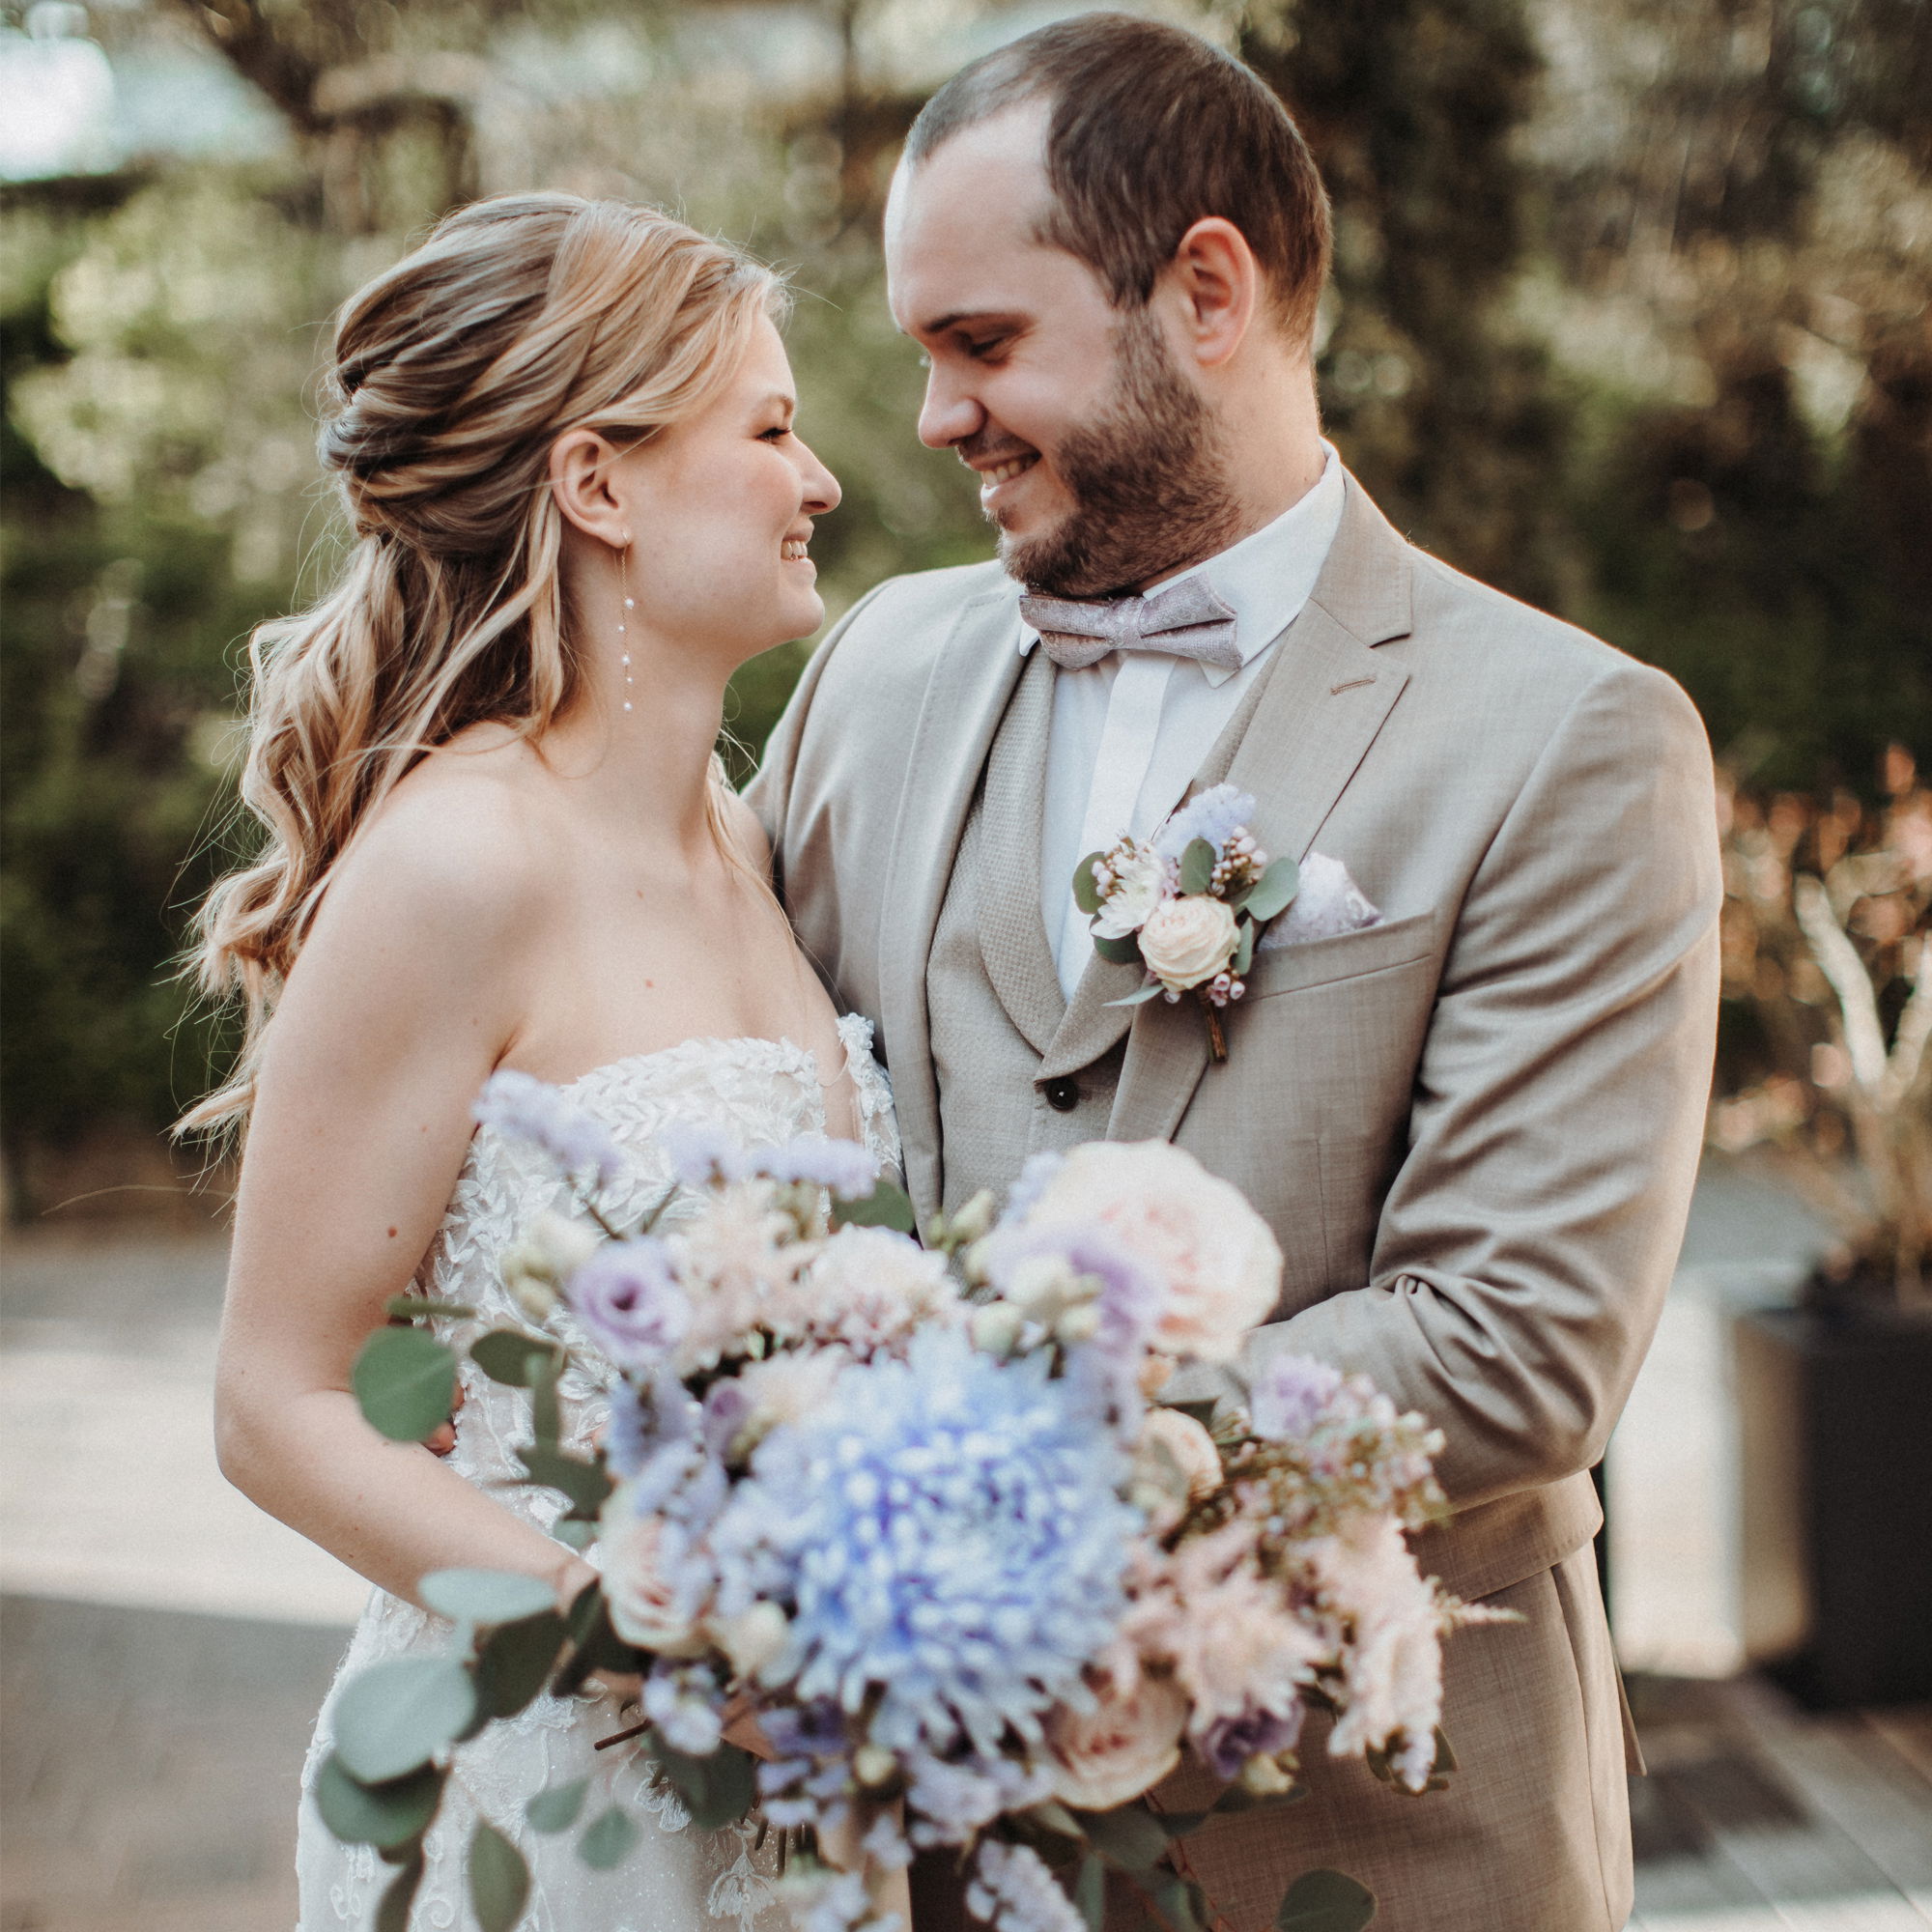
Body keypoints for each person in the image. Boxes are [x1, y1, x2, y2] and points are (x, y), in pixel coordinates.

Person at [749, 15, 1721, 1932]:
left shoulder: (1565, 738)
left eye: (982, 342)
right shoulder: (876, 671)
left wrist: (999, 1482)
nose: (935, 417)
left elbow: (1513, 1338)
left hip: (1369, 1829)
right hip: (917, 1840)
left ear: (1205, 289)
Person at [187, 193, 896, 1931]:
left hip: (808, 1814)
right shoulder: (459, 864)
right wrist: (629, 1638)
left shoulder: (748, 836)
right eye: (773, 428)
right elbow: (274, 1407)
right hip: (545, 1809)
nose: (820, 482)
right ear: (596, 486)